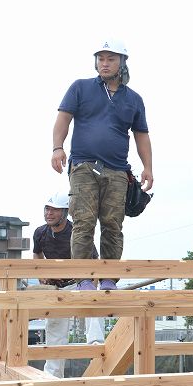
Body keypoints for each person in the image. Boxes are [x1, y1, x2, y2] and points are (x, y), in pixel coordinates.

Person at [51, 37, 153, 291]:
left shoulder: (134, 99)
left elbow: (141, 136)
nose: (105, 64)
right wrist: (57, 148)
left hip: (117, 170)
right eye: (101, 59)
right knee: (84, 222)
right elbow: (63, 120)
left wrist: (148, 167)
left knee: (112, 224)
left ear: (122, 63)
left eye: (111, 59)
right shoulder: (80, 87)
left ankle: (108, 277)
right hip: (84, 165)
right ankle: (84, 277)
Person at [33, 192, 105, 378]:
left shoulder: (77, 233)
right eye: (47, 209)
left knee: (93, 307)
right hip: (57, 287)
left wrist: (91, 289)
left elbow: (94, 261)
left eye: (54, 210)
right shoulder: (40, 233)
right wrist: (42, 276)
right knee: (55, 328)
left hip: (80, 282)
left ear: (65, 212)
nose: (49, 213)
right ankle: (53, 376)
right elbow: (37, 256)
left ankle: (96, 347)